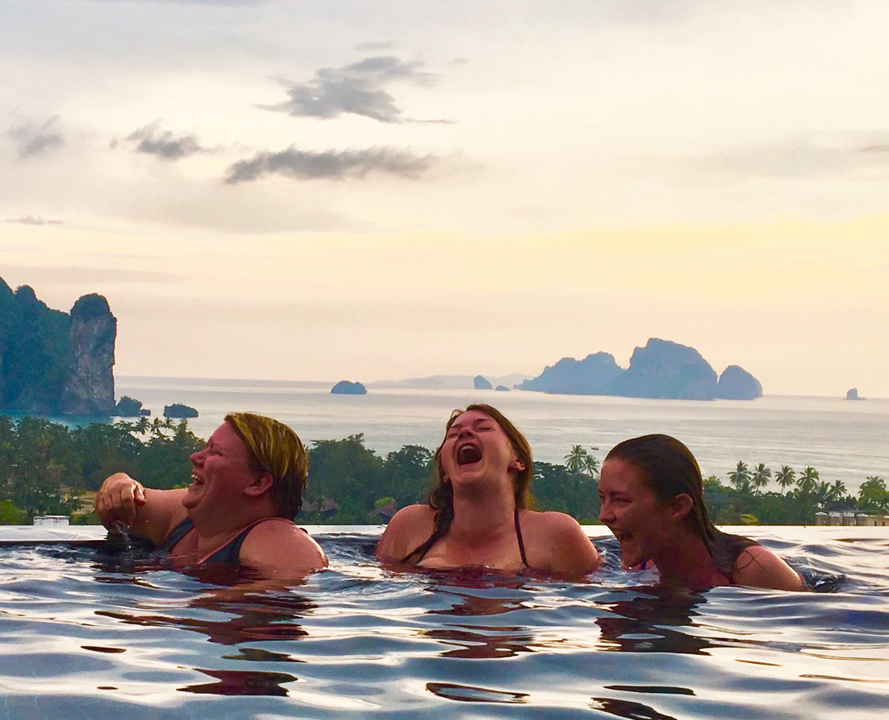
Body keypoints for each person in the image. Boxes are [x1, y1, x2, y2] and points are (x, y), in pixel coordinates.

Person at [95, 412, 327, 578]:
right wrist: (119, 482)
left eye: (215, 452)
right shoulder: (185, 516)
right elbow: (118, 507)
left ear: (257, 483)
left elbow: (287, 591)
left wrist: (160, 613)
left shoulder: (276, 538)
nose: (195, 457)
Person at [375, 404, 600, 574]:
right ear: (446, 473)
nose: (464, 433)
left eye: (483, 428)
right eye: (453, 434)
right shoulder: (410, 526)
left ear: (518, 460)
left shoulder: (555, 534)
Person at [598, 434, 803, 590]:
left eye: (620, 500)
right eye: (602, 499)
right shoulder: (639, 569)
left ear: (677, 508)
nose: (604, 516)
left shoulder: (753, 569)